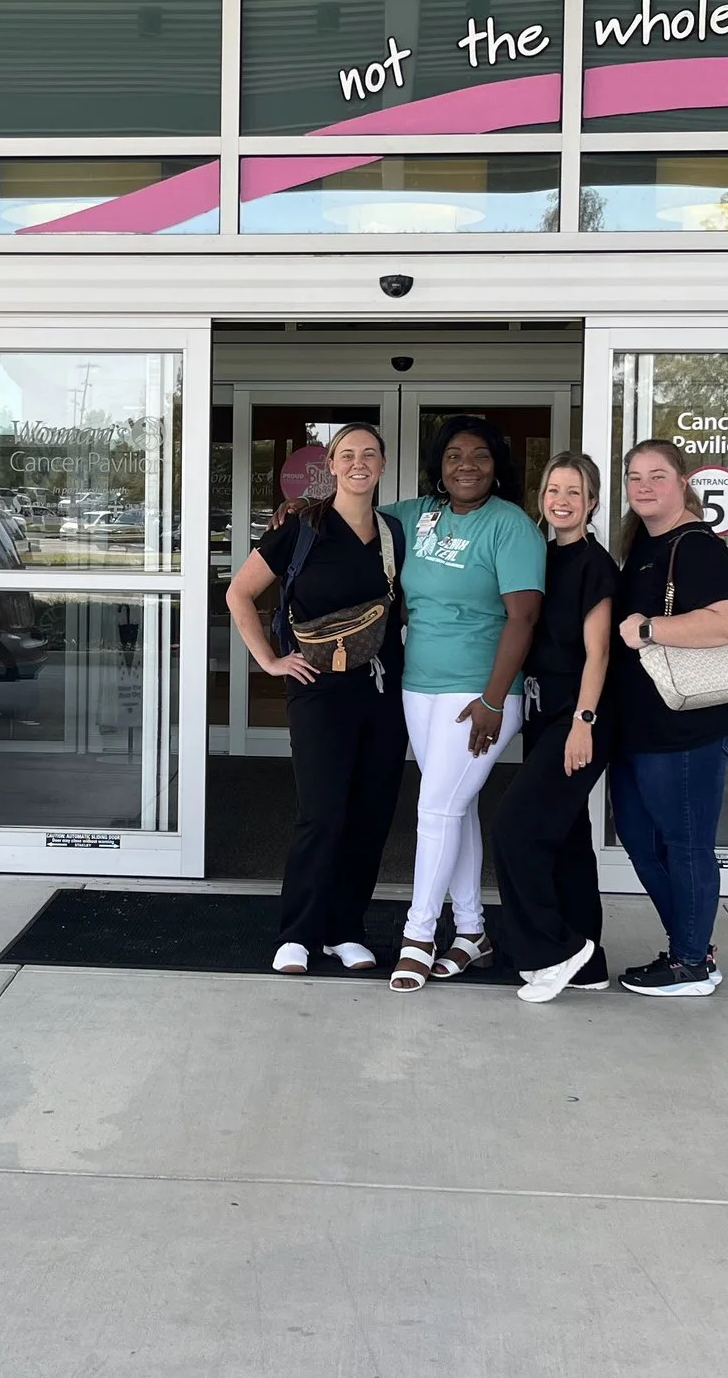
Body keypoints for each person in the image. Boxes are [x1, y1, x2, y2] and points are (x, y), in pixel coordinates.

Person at [226, 423, 406, 976]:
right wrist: (269, 660)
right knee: (322, 813)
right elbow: (239, 593)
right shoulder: (301, 527)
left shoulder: (395, 532)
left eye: (369, 454)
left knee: (370, 814)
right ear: (330, 464)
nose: (358, 463)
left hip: (382, 690)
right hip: (317, 690)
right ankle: (299, 933)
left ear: (382, 464)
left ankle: (344, 929)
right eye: (347, 454)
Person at [381, 416, 543, 991]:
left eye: (479, 455)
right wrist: (302, 511)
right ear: (439, 465)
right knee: (456, 806)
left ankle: (419, 935)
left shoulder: (510, 525)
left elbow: (524, 617)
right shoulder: (416, 514)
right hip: (419, 686)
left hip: (480, 692)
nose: (466, 465)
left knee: (436, 809)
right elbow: (354, 516)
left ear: (497, 466)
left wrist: (493, 701)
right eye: (454, 455)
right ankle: (472, 932)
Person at [607, 439, 728, 997]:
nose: (644, 486)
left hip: (689, 725)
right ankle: (691, 947)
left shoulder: (695, 545)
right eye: (635, 477)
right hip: (644, 725)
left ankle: (690, 962)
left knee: (685, 843)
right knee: (642, 840)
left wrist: (649, 629)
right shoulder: (646, 543)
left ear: (682, 482)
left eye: (657, 475)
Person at [490, 452, 618, 1004]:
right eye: (553, 490)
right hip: (543, 714)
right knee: (567, 837)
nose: (562, 501)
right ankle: (589, 962)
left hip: (579, 716)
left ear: (592, 502)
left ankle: (552, 950)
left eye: (574, 492)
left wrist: (583, 722)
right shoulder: (539, 557)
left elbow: (599, 653)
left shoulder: (594, 565)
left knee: (514, 828)